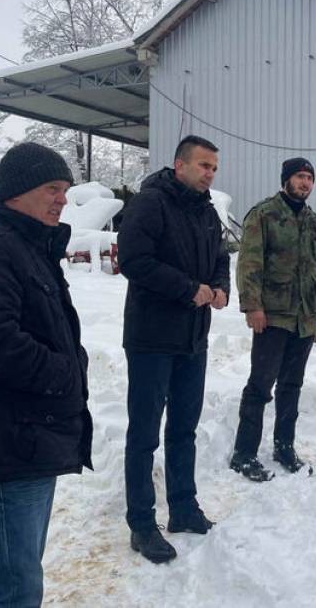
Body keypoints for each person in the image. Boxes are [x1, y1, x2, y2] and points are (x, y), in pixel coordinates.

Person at [0, 142, 92, 607]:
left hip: (26, 441)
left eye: (66, 190)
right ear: (16, 191)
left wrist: (71, 366)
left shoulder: (25, 246)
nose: (62, 199)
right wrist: (67, 374)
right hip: (7, 446)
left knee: (19, 574)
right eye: (52, 188)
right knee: (12, 588)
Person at [118, 134, 229, 564]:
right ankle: (142, 523)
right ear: (179, 165)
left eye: (214, 168)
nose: (210, 174)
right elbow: (134, 260)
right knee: (143, 434)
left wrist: (220, 288)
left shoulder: (207, 210)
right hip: (151, 339)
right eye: (204, 166)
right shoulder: (151, 203)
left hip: (192, 338)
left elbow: (221, 257)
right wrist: (189, 290)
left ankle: (183, 507)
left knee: (184, 429)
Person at [231, 157, 316, 482]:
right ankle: (244, 453)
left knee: (291, 386)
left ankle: (284, 446)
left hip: (304, 319)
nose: (305, 183)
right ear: (286, 180)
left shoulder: (313, 221)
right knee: (260, 386)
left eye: (309, 177)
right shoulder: (263, 214)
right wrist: (252, 307)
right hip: (273, 317)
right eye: (300, 177)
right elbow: (249, 264)